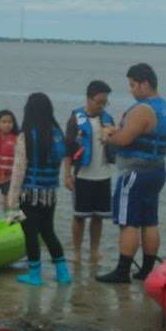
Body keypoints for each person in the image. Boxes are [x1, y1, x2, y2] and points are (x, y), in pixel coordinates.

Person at [96, 62, 166, 285]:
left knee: (128, 222)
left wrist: (107, 135)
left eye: (132, 85)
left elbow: (123, 140)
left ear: (145, 84)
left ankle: (122, 272)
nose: (131, 90)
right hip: (157, 170)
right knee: (150, 221)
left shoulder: (142, 110)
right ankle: (147, 269)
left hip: (135, 173)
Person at [6, 92, 71, 287]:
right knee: (48, 231)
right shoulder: (57, 134)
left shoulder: (26, 136)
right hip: (50, 194)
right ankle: (63, 273)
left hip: (29, 195)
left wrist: (12, 199)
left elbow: (19, 170)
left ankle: (34, 275)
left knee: (31, 234)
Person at [63, 79, 115, 258]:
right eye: (98, 101)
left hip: (103, 175)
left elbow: (116, 143)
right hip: (82, 175)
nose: (101, 105)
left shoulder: (108, 120)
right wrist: (67, 175)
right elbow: (68, 148)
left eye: (104, 102)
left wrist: (113, 135)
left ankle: (94, 250)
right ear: (88, 99)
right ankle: (77, 251)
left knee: (98, 217)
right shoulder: (76, 119)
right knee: (79, 216)